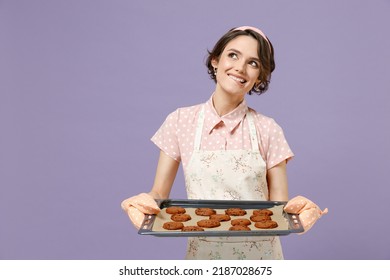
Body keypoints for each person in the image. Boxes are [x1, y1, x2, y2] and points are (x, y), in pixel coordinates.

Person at [121, 26, 328, 260]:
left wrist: (299, 213)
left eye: (253, 63)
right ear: (215, 61)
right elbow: (158, 193)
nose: (240, 67)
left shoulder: (268, 129)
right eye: (233, 55)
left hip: (261, 258)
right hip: (203, 257)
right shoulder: (179, 121)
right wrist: (143, 205)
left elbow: (278, 208)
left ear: (259, 77)